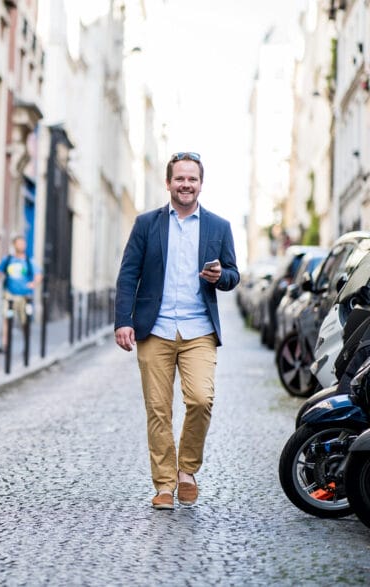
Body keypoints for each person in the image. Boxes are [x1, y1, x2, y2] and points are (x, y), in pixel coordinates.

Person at [114, 152, 240, 510]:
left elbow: (233, 275)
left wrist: (221, 276)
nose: (186, 185)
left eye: (192, 179)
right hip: (155, 329)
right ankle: (165, 485)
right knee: (158, 409)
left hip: (199, 329)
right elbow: (128, 274)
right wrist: (123, 320)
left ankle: (187, 469)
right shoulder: (146, 224)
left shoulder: (218, 226)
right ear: (168, 182)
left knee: (201, 400)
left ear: (201, 184)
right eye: (180, 178)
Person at [0, 235, 42, 352]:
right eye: (18, 243)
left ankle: (26, 346)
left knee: (24, 321)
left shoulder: (29, 261)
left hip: (24, 296)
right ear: (14, 245)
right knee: (7, 318)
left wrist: (33, 284)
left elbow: (38, 275)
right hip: (9, 295)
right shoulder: (8, 260)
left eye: (22, 243)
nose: (21, 245)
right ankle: (5, 345)